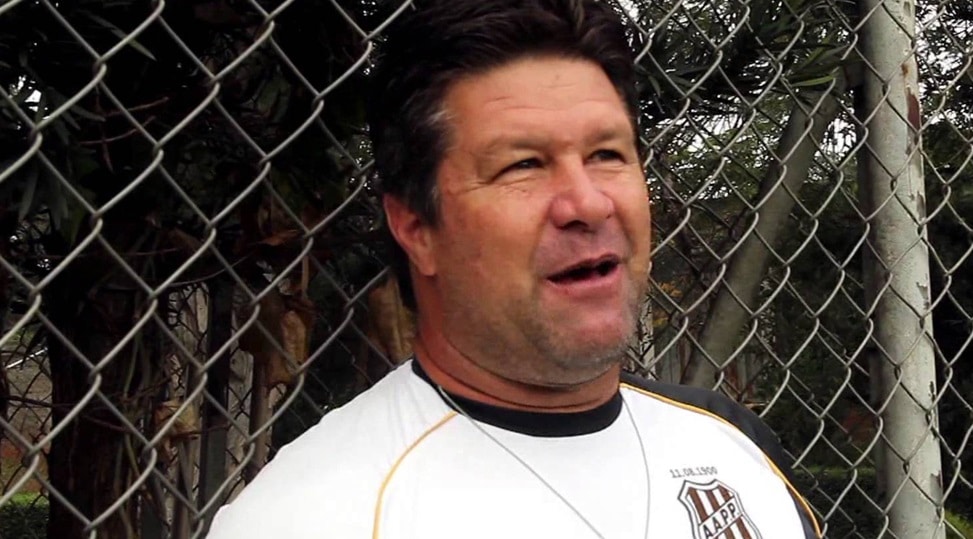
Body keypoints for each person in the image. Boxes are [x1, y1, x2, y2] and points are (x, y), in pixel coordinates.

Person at [206, 0, 821, 537]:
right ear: (416, 228)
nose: (587, 204)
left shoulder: (736, 452)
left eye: (607, 154)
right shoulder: (314, 515)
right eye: (522, 165)